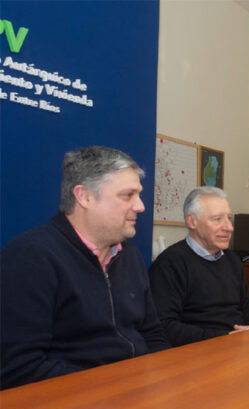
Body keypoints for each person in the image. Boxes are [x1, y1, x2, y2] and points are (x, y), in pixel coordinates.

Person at [0, 146, 170, 390]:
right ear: (84, 197)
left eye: (139, 195)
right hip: (73, 401)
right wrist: (112, 388)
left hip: (133, 391)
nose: (141, 206)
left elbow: (153, 334)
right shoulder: (30, 258)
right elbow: (19, 367)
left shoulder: (129, 256)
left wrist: (161, 379)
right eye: (128, 195)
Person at [149, 187, 249, 347]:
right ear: (192, 221)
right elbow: (165, 326)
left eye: (229, 218)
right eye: (217, 219)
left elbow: (248, 308)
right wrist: (225, 338)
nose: (229, 227)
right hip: (200, 351)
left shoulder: (232, 260)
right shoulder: (170, 263)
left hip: (238, 346)